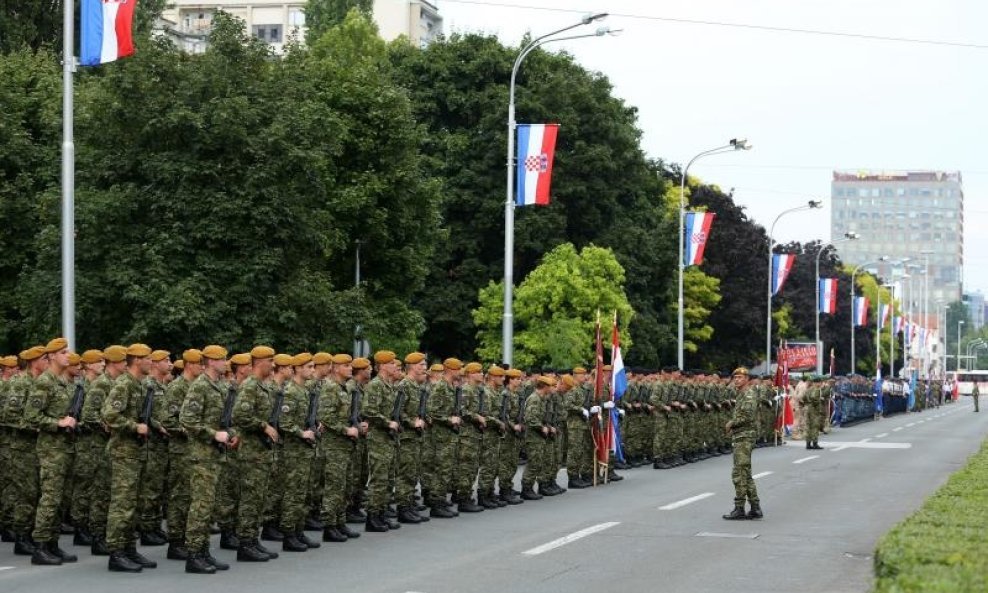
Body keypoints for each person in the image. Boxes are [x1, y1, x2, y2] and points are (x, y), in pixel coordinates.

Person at [102, 343, 158, 572]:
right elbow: (109, 414)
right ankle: (116, 553)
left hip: (138, 453)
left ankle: (129, 548)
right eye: (147, 359)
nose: (151, 362)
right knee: (122, 504)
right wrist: (134, 427)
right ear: (136, 360)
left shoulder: (141, 385)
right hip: (124, 453)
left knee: (134, 504)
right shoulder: (124, 384)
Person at [180, 345, 234, 574]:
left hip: (216, 455)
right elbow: (187, 419)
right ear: (211, 362)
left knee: (209, 507)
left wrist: (228, 435)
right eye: (222, 359)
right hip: (201, 456)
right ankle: (193, 555)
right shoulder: (200, 386)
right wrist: (213, 434)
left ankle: (204, 551)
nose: (225, 362)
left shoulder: (220, 386)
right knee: (200, 507)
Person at [723, 367, 762, 521]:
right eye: (735, 377)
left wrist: (731, 424)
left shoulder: (749, 394)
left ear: (747, 379)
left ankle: (739, 508)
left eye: (740, 377)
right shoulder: (741, 394)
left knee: (739, 473)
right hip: (741, 435)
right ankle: (755, 507)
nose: (737, 380)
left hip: (745, 437)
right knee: (745, 473)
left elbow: (747, 416)